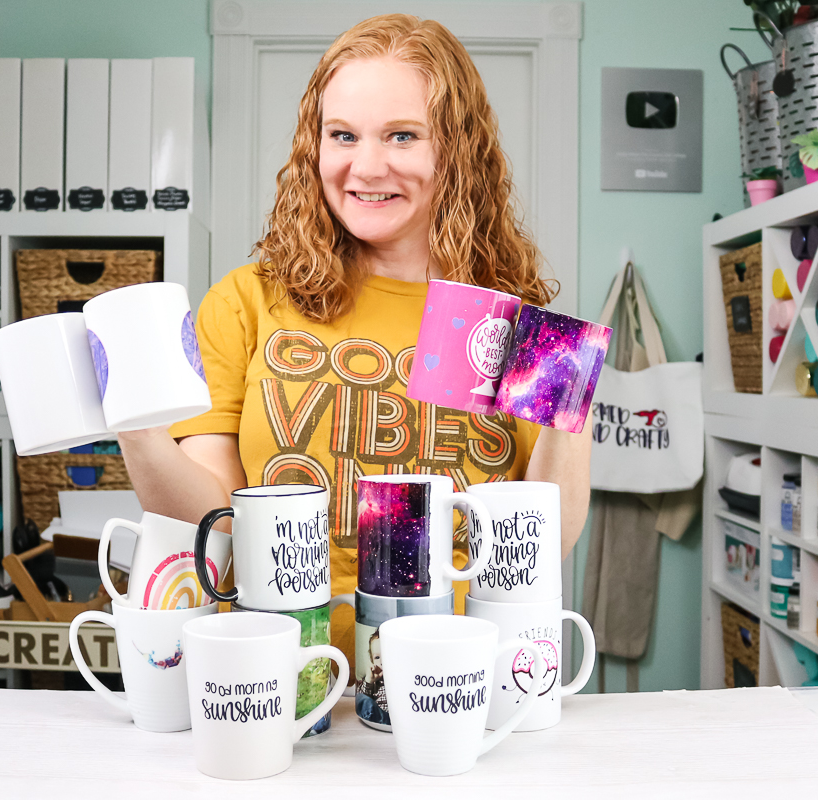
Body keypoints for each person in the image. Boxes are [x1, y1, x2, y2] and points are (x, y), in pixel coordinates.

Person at [119, 14, 591, 666]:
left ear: (456, 149)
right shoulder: (246, 301)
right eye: (342, 135)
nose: (366, 167)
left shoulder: (509, 325)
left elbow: (543, 548)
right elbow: (216, 530)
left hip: (455, 682)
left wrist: (569, 400)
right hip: (281, 681)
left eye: (402, 135)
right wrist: (136, 433)